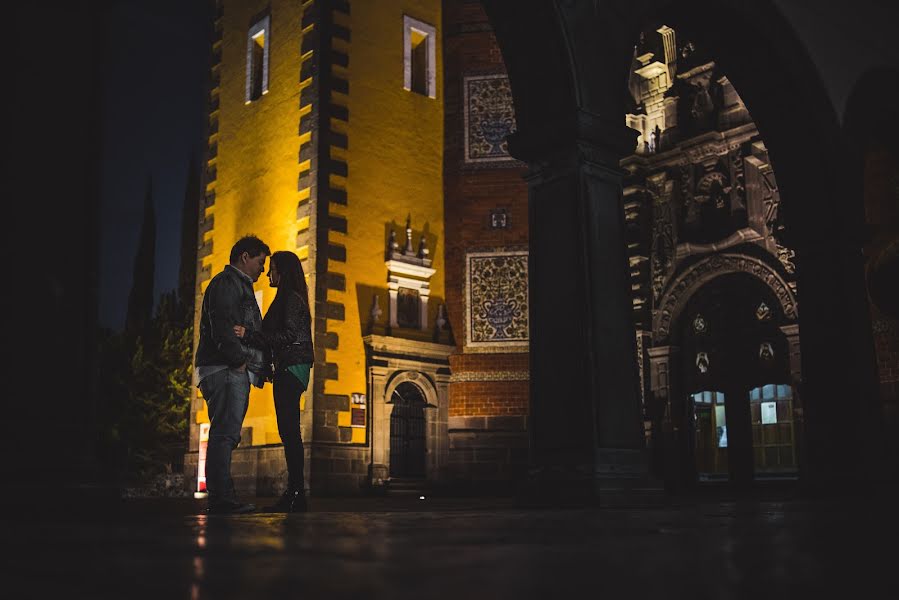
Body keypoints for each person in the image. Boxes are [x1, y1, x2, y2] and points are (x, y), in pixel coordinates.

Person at [195, 235, 271, 514]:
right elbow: (222, 325)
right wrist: (238, 360)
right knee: (225, 434)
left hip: (225, 367)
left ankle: (222, 497)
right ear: (244, 258)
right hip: (226, 368)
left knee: (225, 433)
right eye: (260, 262)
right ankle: (222, 500)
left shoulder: (233, 284)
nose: (263, 269)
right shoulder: (228, 284)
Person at [234, 250, 313, 513]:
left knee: (290, 431)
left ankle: (297, 493)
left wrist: (248, 335)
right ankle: (295, 492)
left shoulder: (291, 298)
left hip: (292, 366)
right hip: (289, 367)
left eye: (273, 269)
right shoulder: (286, 299)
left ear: (283, 271)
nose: (269, 273)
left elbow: (288, 335)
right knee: (288, 430)